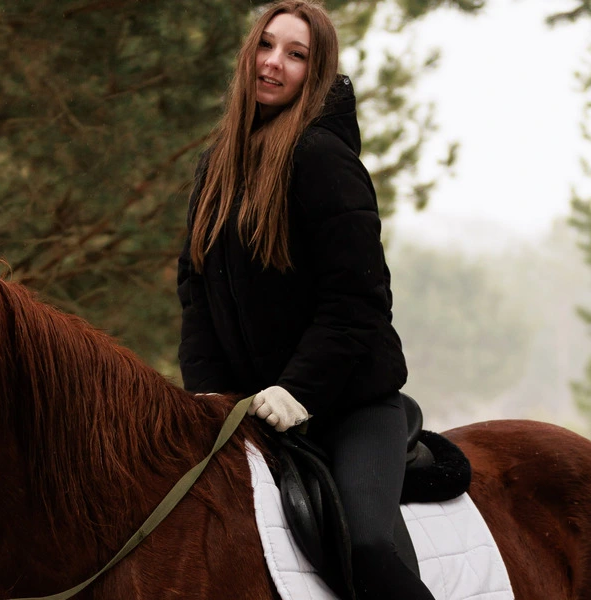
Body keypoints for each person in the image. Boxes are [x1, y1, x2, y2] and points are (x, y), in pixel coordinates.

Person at [176, 2, 432, 599]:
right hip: (252, 413)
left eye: (296, 55)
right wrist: (210, 396)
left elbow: (359, 301)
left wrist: (298, 390)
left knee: (367, 546)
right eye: (266, 46)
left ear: (314, 74)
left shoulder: (323, 159)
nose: (273, 63)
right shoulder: (215, 167)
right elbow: (196, 292)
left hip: (349, 406)